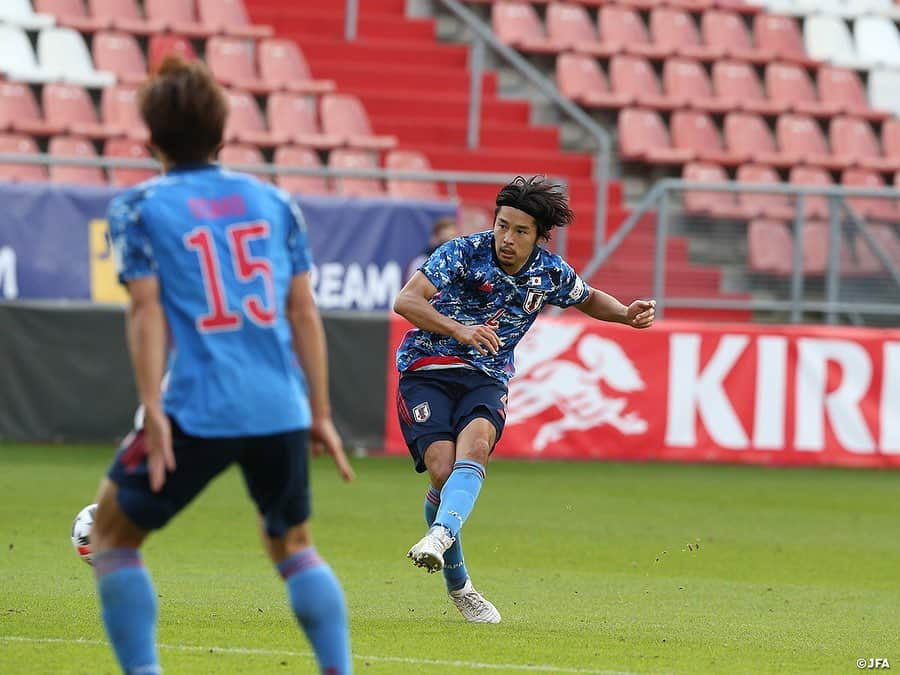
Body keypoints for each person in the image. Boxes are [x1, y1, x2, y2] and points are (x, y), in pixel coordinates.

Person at [91, 55, 355, 675]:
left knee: (111, 536)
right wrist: (319, 413)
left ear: (149, 139)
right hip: (279, 405)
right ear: (224, 134)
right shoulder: (275, 202)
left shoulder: (137, 208)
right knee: (293, 544)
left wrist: (153, 409)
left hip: (198, 406)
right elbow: (303, 312)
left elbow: (146, 311)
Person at [393, 175, 655, 623]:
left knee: (474, 449)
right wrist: (459, 330)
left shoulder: (548, 272)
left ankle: (439, 536)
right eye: (501, 226)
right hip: (427, 370)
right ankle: (461, 585)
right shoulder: (462, 252)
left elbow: (588, 298)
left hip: (486, 377)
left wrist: (626, 315)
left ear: (538, 236)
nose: (506, 238)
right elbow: (406, 300)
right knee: (441, 470)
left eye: (519, 231)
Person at [405, 216, 459, 282]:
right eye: (445, 241)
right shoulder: (422, 262)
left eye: (453, 238)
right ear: (435, 238)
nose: (449, 246)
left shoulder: (460, 262)